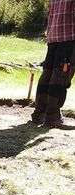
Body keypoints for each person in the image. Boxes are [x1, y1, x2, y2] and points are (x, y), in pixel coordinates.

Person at [30, 0, 75, 130]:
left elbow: (49, 15)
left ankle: (40, 113)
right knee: (61, 77)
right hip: (69, 38)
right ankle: (53, 117)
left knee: (48, 75)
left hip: (53, 38)